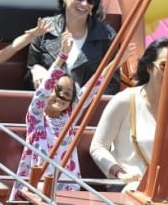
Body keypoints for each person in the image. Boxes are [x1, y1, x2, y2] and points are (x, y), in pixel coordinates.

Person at [10, 32, 135, 200]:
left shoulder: (69, 118)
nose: (61, 96)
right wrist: (61, 57)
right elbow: (41, 94)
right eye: (57, 90)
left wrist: (115, 63)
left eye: (67, 93)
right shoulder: (36, 117)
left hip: (66, 186)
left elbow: (93, 87)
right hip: (37, 184)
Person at [90, 37, 168, 190]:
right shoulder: (124, 100)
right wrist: (120, 173)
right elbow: (98, 146)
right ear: (149, 67)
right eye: (165, 66)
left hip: (163, 188)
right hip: (128, 185)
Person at [24, 0, 120, 93]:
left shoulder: (107, 36)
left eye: (91, 0)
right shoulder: (45, 28)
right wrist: (35, 70)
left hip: (86, 108)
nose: (84, 3)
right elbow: (28, 79)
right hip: (46, 105)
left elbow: (111, 84)